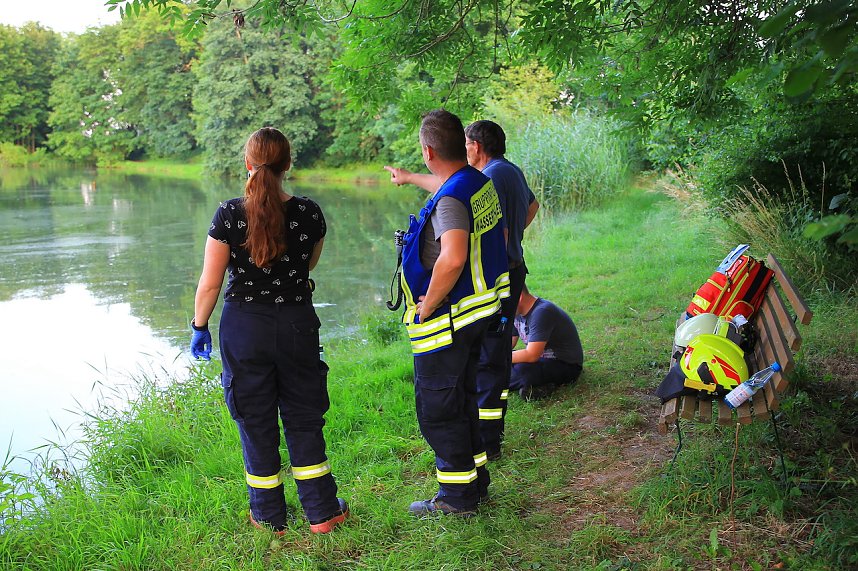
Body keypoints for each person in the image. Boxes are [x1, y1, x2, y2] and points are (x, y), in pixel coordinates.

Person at [190, 127, 348, 535]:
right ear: (287, 165)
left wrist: (199, 325)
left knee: (254, 417)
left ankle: (268, 516)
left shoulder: (227, 214)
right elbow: (309, 265)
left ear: (248, 163)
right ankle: (323, 512)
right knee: (303, 414)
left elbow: (210, 283)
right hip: (296, 321)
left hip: (244, 326)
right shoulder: (310, 212)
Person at [385, 120, 539, 460]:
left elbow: (453, 258)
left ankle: (470, 473)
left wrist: (429, 305)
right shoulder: (486, 178)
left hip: (462, 306)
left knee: (461, 389)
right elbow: (520, 214)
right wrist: (409, 177)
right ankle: (482, 454)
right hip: (495, 291)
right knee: (483, 371)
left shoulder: (472, 185)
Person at [393, 109, 509, 517]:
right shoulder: (479, 182)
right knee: (463, 401)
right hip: (481, 312)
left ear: (428, 151)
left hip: (451, 319)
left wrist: (427, 304)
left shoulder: (452, 198)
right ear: (463, 144)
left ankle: (456, 499)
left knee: (440, 409)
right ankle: (475, 484)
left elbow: (453, 256)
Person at [511, 284, 584, 400]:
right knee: (498, 364)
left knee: (522, 370)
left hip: (566, 365)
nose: (501, 307)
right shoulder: (515, 312)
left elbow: (531, 355)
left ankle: (493, 379)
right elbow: (509, 344)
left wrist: (497, 359)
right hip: (541, 361)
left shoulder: (542, 312)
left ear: (518, 297)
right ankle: (537, 385)